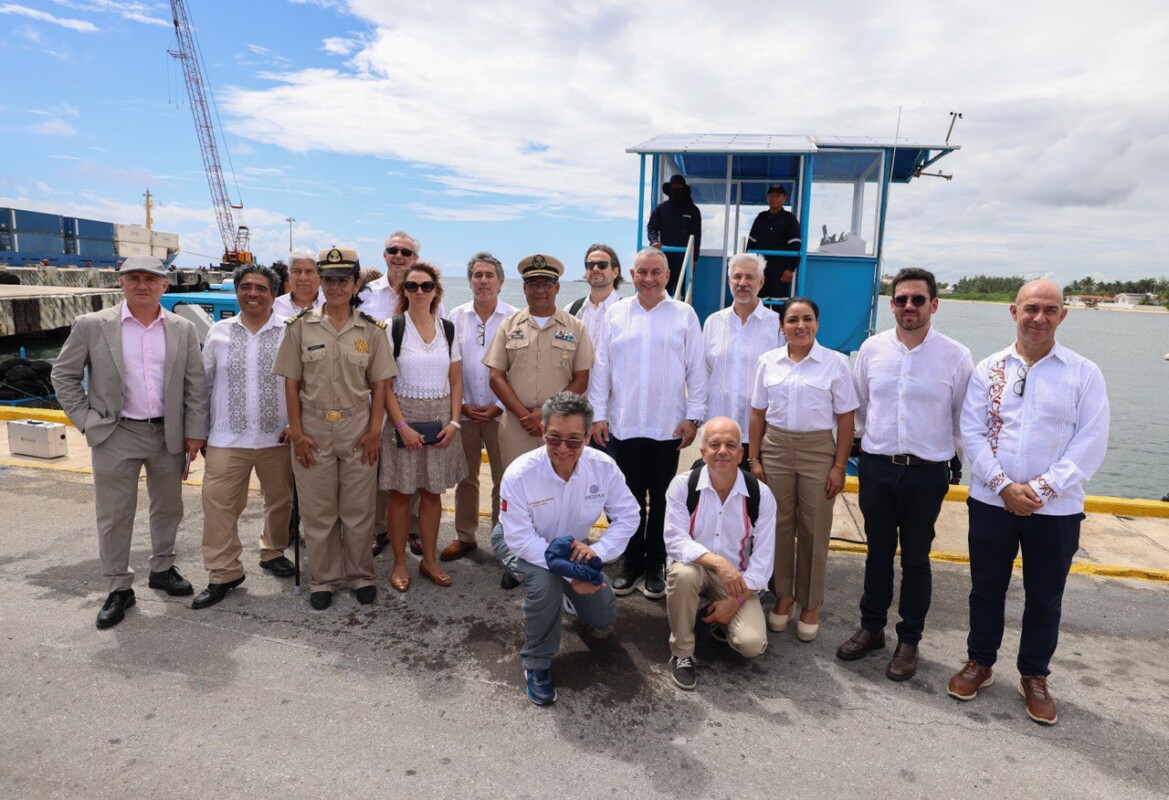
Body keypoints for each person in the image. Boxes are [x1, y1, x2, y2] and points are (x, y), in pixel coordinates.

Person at [947, 279, 1109, 725]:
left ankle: (1034, 675)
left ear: (1063, 315)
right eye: (1031, 308)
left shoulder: (1084, 373)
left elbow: (1091, 441)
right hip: (991, 501)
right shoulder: (989, 368)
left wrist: (1041, 490)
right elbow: (971, 432)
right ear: (1014, 311)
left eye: (1050, 309)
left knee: (1045, 597)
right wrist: (1003, 486)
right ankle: (980, 661)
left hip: (1055, 510)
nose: (1039, 317)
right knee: (986, 589)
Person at [51, 256, 208, 629]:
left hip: (167, 432)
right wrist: (87, 422)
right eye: (134, 278)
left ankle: (162, 568)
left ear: (164, 285)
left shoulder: (183, 328)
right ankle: (119, 586)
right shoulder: (92, 325)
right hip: (115, 432)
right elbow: (63, 375)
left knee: (168, 507)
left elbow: (195, 384)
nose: (142, 285)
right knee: (114, 514)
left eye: (151, 279)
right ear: (121, 283)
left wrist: (194, 431)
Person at [836, 268, 973, 679]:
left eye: (918, 299)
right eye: (901, 299)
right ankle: (872, 627)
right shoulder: (872, 350)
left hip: (926, 473)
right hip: (877, 467)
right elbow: (859, 406)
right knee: (877, 553)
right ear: (891, 305)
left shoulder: (956, 355)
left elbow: (964, 417)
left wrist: (961, 463)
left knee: (916, 559)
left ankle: (909, 639)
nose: (909, 306)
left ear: (934, 304)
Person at [492, 391, 640, 706]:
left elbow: (629, 515)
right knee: (545, 584)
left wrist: (598, 552)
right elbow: (520, 538)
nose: (562, 448)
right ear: (543, 432)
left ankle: (568, 596)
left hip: (573, 546)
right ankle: (537, 663)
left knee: (602, 617)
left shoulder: (604, 468)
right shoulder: (520, 474)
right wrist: (572, 575)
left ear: (587, 437)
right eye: (554, 438)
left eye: (574, 441)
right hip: (521, 542)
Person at [272, 247, 395, 610]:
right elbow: (291, 384)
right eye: (329, 279)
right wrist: (296, 433)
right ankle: (323, 579)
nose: (336, 286)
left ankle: (361, 576)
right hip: (312, 429)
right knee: (318, 511)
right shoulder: (300, 327)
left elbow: (380, 386)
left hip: (358, 428)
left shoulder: (371, 331)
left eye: (343, 279)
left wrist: (374, 432)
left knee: (359, 511)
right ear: (321, 283)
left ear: (356, 284)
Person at [589, 247, 707, 600]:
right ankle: (632, 561)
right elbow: (601, 367)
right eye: (642, 272)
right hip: (624, 425)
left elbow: (697, 369)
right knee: (627, 501)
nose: (649, 278)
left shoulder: (684, 315)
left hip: (667, 427)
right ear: (631, 275)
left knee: (664, 500)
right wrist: (598, 414)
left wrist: (693, 417)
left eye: (656, 272)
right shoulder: (616, 313)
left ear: (667, 276)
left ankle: (656, 563)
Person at [748, 297, 857, 642]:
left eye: (807, 319)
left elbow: (846, 418)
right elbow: (757, 413)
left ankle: (810, 604)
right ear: (782, 327)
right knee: (778, 525)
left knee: (815, 528)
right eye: (792, 320)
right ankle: (783, 596)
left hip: (818, 451)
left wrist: (840, 466)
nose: (800, 326)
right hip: (776, 448)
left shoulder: (836, 364)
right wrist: (754, 458)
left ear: (817, 324)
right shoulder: (767, 362)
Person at [193, 264, 297, 609]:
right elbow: (203, 385)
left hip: (277, 436)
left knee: (279, 501)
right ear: (236, 291)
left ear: (274, 294)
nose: (253, 293)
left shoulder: (291, 332)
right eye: (246, 287)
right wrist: (199, 432)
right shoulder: (218, 332)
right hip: (226, 437)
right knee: (218, 505)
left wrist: (298, 425)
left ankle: (273, 551)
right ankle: (224, 572)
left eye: (262, 288)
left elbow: (304, 384)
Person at [662, 418, 776, 690]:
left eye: (730, 445)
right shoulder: (682, 485)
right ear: (703, 452)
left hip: (736, 579)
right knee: (683, 575)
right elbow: (675, 541)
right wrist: (717, 562)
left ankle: (716, 617)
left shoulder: (761, 495)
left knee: (751, 644)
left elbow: (762, 562)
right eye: (715, 445)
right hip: (697, 567)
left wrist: (736, 601)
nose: (722, 451)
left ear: (741, 453)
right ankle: (682, 652)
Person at [380, 263, 468, 591]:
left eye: (426, 286)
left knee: (432, 493)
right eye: (412, 286)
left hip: (440, 421)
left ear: (436, 291)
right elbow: (384, 385)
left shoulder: (448, 330)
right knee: (401, 494)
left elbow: (456, 381)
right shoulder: (392, 328)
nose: (419, 291)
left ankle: (429, 561)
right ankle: (399, 563)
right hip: (402, 419)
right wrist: (401, 426)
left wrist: (455, 422)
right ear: (403, 291)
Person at [484, 254, 593, 471]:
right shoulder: (508, 326)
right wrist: (525, 416)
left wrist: (546, 414)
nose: (540, 290)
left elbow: (581, 380)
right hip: (517, 426)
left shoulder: (576, 328)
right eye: (533, 284)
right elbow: (496, 377)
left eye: (546, 284)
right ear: (524, 289)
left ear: (557, 288)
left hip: (560, 428)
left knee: (560, 481)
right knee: (516, 482)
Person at [444, 252, 516, 562]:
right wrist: (460, 405)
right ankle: (465, 536)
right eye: (477, 275)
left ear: (501, 282)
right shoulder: (455, 316)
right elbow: (447, 364)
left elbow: (517, 368)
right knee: (466, 478)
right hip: (465, 413)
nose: (483, 281)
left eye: (489, 275)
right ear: (470, 281)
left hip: (502, 414)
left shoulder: (515, 317)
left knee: (505, 479)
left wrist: (499, 405)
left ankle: (504, 539)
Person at [703, 252, 783, 462]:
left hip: (760, 434)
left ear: (761, 282)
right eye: (737, 277)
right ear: (729, 280)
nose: (742, 283)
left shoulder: (776, 325)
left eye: (749, 277)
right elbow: (703, 372)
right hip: (718, 431)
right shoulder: (713, 323)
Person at [647, 174, 702, 297]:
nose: (676, 189)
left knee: (683, 293)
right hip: (665, 258)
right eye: (674, 186)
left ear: (684, 189)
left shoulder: (693, 211)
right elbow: (652, 228)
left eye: (679, 186)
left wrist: (694, 259)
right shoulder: (661, 209)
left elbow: (697, 237)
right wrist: (654, 241)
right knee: (663, 292)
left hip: (685, 258)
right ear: (670, 189)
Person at [747, 184, 802, 299]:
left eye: (777, 196)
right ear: (767, 198)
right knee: (759, 302)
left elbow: (795, 246)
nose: (773, 199)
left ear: (785, 198)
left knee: (779, 304)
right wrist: (750, 266)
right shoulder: (760, 218)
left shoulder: (790, 220)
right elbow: (751, 244)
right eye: (771, 196)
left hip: (780, 270)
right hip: (760, 269)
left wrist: (790, 269)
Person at [568, 243, 623, 341]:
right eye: (590, 265)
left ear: (615, 272)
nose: (595, 269)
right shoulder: (571, 311)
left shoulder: (626, 312)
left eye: (602, 265)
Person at [272, 247, 324, 318]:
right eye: (297, 271)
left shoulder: (330, 304)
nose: (303, 278)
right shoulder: (274, 306)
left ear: (319, 276)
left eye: (309, 271)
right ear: (289, 276)